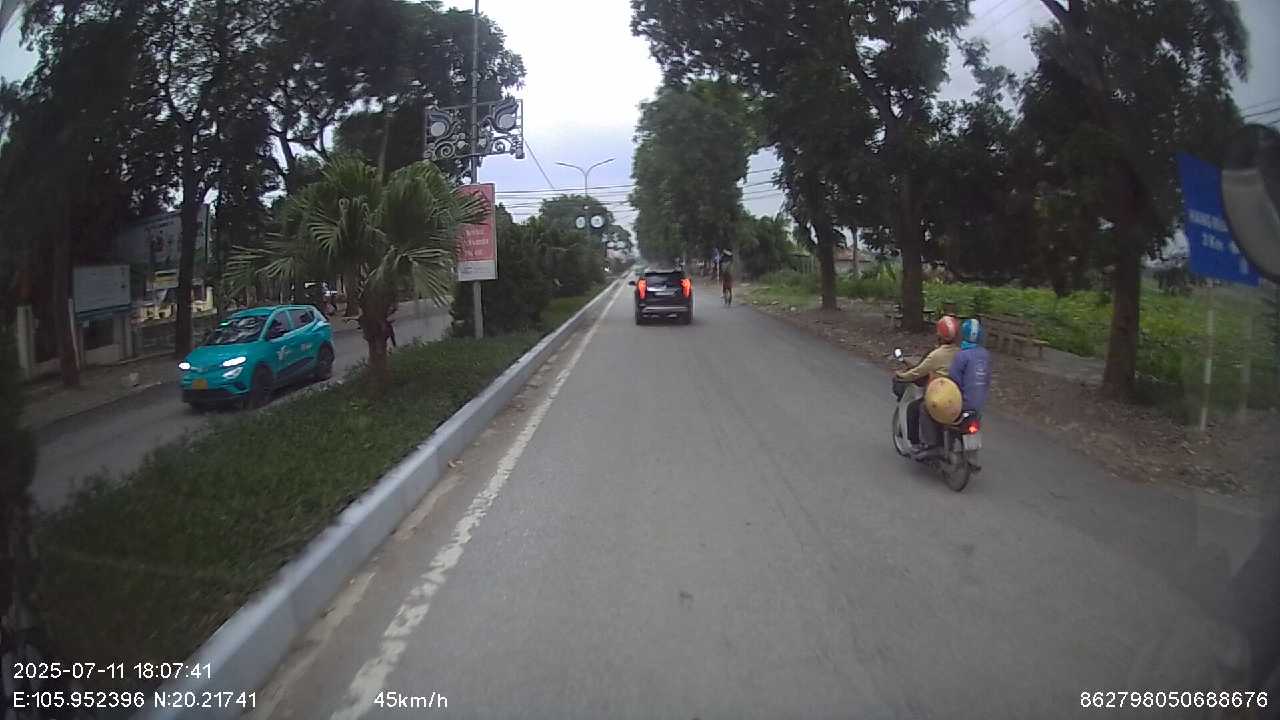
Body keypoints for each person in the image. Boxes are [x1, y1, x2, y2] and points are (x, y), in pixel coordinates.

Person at [896, 315, 960, 451]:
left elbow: (918, 372)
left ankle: (919, 444)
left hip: (939, 394)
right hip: (956, 397)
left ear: (939, 335)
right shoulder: (961, 353)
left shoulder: (936, 355)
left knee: (914, 408)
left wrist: (901, 376)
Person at [948, 318, 992, 416]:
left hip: (962, 406)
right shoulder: (985, 354)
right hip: (979, 406)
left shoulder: (961, 355)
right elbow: (987, 380)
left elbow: (953, 382)